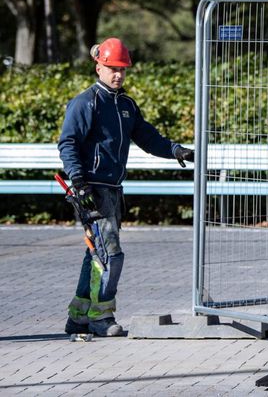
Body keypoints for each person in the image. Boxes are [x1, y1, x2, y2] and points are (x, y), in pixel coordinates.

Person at [57, 37, 195, 337]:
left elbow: (148, 137)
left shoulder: (126, 105)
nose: (118, 74)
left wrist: (176, 151)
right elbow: (68, 143)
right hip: (92, 189)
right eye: (111, 68)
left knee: (96, 254)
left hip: (113, 190)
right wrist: (78, 181)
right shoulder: (86, 102)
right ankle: (101, 317)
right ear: (99, 67)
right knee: (111, 255)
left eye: (122, 68)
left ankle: (78, 316)